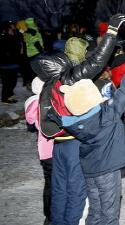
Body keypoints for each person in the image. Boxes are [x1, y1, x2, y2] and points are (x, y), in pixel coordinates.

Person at [31, 13, 124, 225]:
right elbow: (98, 60)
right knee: (75, 192)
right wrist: (111, 32)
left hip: (57, 145)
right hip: (73, 142)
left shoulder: (48, 84)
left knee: (60, 190)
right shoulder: (69, 77)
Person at [55, 44, 125, 225]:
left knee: (95, 208)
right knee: (109, 210)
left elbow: (90, 111)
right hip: (107, 170)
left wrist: (104, 100)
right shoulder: (107, 115)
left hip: (90, 169)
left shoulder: (74, 121)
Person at [25, 77, 55, 225]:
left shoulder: (32, 104)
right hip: (57, 148)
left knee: (49, 182)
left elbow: (30, 121)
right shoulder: (48, 102)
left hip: (44, 150)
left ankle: (49, 215)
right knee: (60, 183)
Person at [0, 20, 22, 104]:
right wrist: (16, 35)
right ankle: (5, 98)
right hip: (7, 64)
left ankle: (9, 96)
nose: (13, 27)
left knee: (12, 81)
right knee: (7, 82)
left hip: (13, 63)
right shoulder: (4, 37)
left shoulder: (11, 36)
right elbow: (13, 46)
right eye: (11, 26)